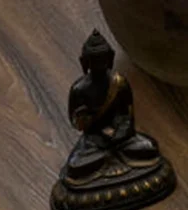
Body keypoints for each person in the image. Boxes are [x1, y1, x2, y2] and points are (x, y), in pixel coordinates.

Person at [65, 30, 160, 184]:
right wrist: (84, 118)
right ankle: (108, 158)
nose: (99, 65)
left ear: (110, 58)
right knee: (76, 165)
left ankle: (110, 157)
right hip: (94, 141)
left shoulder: (119, 83)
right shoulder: (79, 90)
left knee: (149, 147)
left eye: (102, 59)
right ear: (85, 62)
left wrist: (118, 132)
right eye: (94, 61)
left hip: (121, 138)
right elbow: (76, 123)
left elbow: (127, 115)